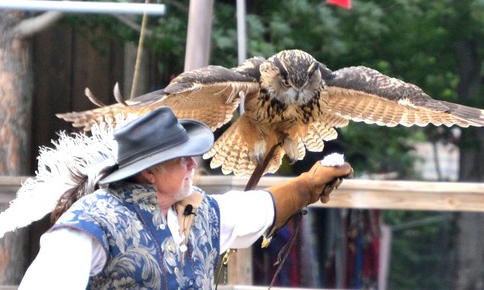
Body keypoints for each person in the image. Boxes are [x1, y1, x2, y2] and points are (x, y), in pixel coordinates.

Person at [18, 106, 352, 289]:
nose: (193, 163)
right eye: (181, 159)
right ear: (150, 172)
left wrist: (307, 186)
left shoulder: (194, 209)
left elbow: (251, 211)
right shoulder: (91, 223)